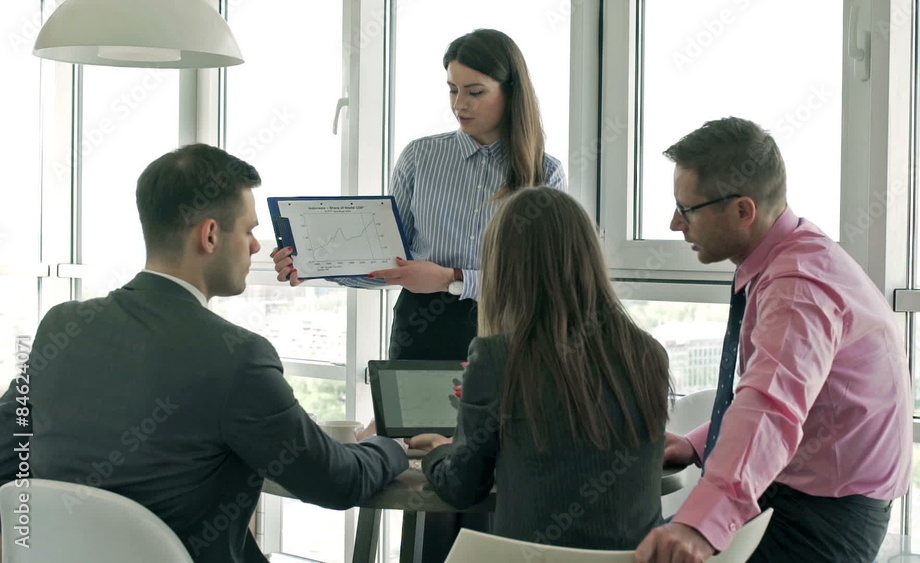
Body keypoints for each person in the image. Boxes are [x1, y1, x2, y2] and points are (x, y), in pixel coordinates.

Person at [0, 144, 408, 563]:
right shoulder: (239, 357)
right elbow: (336, 482)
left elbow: (5, 451)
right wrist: (391, 443)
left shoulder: (62, 326)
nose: (255, 247)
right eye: (248, 231)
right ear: (210, 235)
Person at [634, 117, 912, 563]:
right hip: (803, 490)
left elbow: (772, 406)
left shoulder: (798, 285)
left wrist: (701, 524)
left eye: (687, 210)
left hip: (824, 516)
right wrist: (698, 445)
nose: (674, 224)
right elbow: (787, 394)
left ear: (743, 211)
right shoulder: (791, 255)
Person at [270, 28, 567, 362]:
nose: (459, 104)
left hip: (510, 332)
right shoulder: (419, 157)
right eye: (452, 89)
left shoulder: (545, 173)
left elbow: (542, 283)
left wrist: (450, 279)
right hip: (421, 329)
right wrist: (311, 262)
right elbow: (389, 260)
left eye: (475, 92)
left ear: (511, 91)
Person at [406, 187, 673, 550]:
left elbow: (462, 487)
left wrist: (440, 451)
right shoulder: (649, 354)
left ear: (503, 269)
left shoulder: (497, 357)